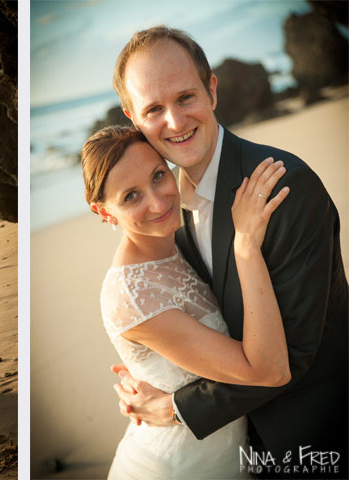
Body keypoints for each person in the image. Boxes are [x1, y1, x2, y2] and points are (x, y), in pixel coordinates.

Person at [110, 26, 348, 478]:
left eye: (185, 97)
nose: (176, 122)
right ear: (132, 118)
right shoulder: (166, 209)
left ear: (212, 89)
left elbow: (292, 357)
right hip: (242, 450)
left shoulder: (283, 189)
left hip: (315, 440)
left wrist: (177, 408)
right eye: (154, 108)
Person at [84, 125, 291, 478]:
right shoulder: (134, 294)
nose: (158, 201)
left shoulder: (181, 240)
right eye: (130, 196)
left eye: (158, 176)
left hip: (228, 454)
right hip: (179, 466)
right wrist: (245, 247)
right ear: (104, 213)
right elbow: (268, 370)